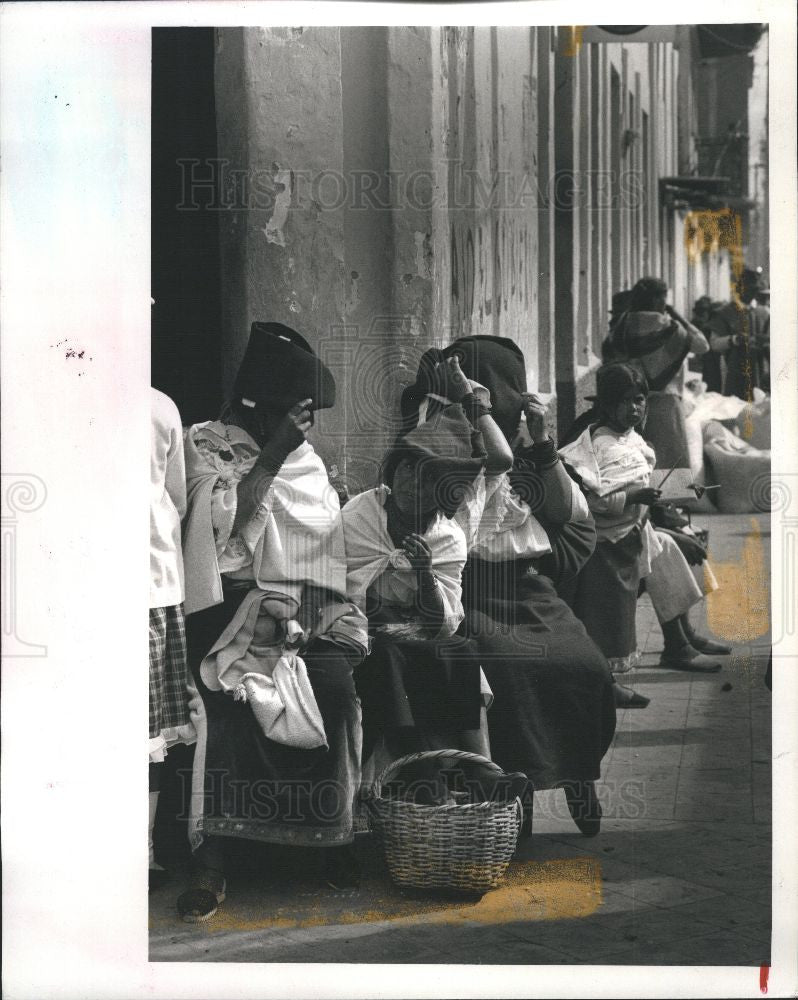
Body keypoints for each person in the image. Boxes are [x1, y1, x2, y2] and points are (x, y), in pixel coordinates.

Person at [177, 322, 369, 921]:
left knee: (333, 692)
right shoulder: (206, 444)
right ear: (256, 406)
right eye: (289, 414)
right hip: (228, 608)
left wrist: (310, 613)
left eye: (303, 418)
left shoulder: (307, 460)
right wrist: (271, 456)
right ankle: (214, 862)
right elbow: (223, 546)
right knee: (231, 700)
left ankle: (327, 843)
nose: (298, 428)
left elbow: (322, 549)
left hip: (308, 608)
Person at [402, 336, 621, 838]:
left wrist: (543, 442)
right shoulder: (447, 449)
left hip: (529, 589)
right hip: (470, 592)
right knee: (506, 670)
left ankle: (577, 774)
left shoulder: (529, 456)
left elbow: (566, 513)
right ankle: (514, 793)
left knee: (583, 664)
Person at [343, 355, 513, 763]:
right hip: (362, 630)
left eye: (427, 480)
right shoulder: (360, 517)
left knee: (460, 652)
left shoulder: (446, 536)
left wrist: (423, 578)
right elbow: (340, 588)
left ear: (445, 494)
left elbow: (441, 624)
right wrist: (376, 618)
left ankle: (479, 769)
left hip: (420, 630)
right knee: (386, 658)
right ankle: (401, 765)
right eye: (406, 470)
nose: (410, 484)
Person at [560, 363, 730, 677]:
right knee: (665, 550)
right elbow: (597, 501)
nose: (634, 408)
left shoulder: (631, 437)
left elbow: (644, 487)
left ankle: (683, 636)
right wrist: (638, 500)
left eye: (640, 400)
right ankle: (677, 644)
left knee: (671, 550)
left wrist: (677, 503)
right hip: (605, 542)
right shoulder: (602, 445)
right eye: (626, 401)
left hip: (632, 528)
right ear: (607, 405)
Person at [149, 388, 196, 890]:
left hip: (152, 586)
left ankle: (141, 848)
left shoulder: (161, 407)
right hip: (148, 582)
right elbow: (176, 501)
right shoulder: (162, 406)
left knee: (150, 732)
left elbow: (177, 500)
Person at [609, 276, 710, 472]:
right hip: (665, 403)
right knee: (669, 466)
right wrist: (678, 315)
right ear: (657, 300)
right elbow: (702, 345)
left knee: (638, 462)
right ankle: (668, 501)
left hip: (631, 404)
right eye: (664, 298)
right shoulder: (669, 326)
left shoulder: (623, 324)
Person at [708, 268, 770, 398]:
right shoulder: (725, 312)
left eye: (755, 289)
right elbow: (714, 344)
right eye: (750, 288)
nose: (753, 293)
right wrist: (735, 339)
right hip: (733, 371)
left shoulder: (759, 313)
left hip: (757, 371)